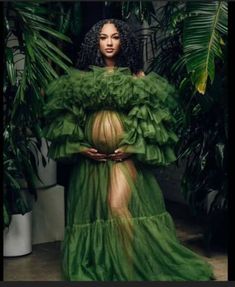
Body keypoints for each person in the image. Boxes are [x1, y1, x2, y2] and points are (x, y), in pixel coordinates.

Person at [43, 19, 215, 281]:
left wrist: (132, 147)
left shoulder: (137, 77)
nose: (109, 43)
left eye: (115, 37)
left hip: (124, 157)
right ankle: (108, 265)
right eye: (103, 37)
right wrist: (81, 147)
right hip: (92, 161)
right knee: (97, 214)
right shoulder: (83, 79)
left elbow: (148, 121)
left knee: (118, 207)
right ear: (95, 42)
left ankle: (130, 267)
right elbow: (68, 118)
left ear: (124, 41)